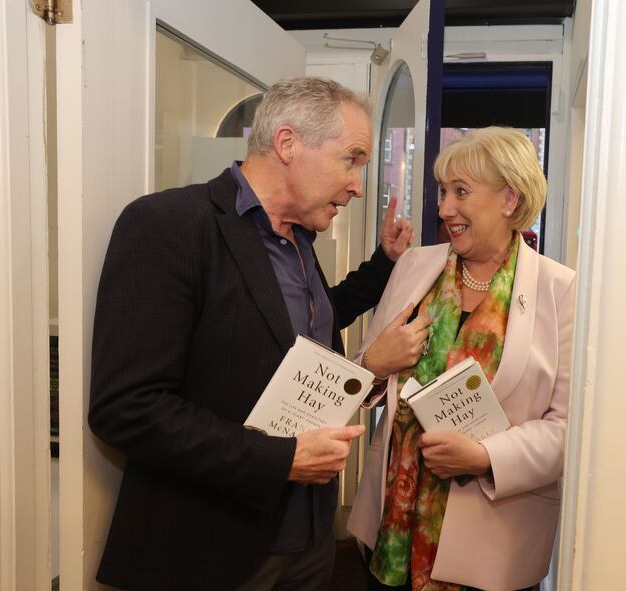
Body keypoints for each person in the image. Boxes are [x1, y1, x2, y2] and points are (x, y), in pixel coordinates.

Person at [88, 77, 413, 591]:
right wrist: (282, 459)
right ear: (287, 144)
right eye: (350, 160)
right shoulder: (168, 224)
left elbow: (306, 324)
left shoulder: (300, 239)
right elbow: (126, 408)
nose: (356, 185)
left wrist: (382, 267)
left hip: (309, 540)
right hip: (209, 549)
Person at [348, 127, 575, 591]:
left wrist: (484, 457)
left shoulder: (561, 291)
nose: (444, 208)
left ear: (509, 199)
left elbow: (568, 428)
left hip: (493, 545)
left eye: (461, 192)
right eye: (442, 191)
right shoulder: (415, 266)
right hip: (393, 526)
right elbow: (367, 375)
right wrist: (375, 361)